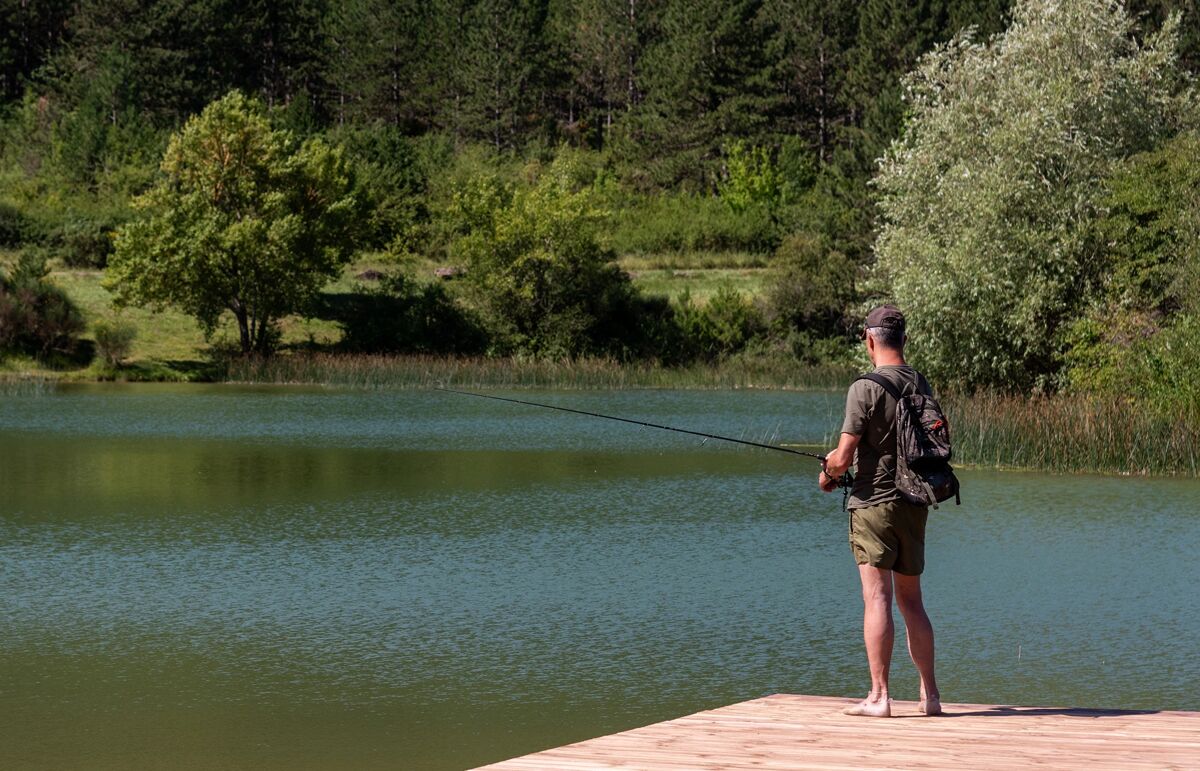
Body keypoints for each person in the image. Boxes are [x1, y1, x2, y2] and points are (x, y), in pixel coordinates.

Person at [818, 304, 941, 718]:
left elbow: (844, 456)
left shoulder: (864, 388)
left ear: (870, 341)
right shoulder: (921, 383)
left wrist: (830, 471)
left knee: (876, 598)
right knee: (913, 602)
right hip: (915, 502)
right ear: (902, 340)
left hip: (874, 504)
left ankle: (880, 696)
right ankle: (931, 696)